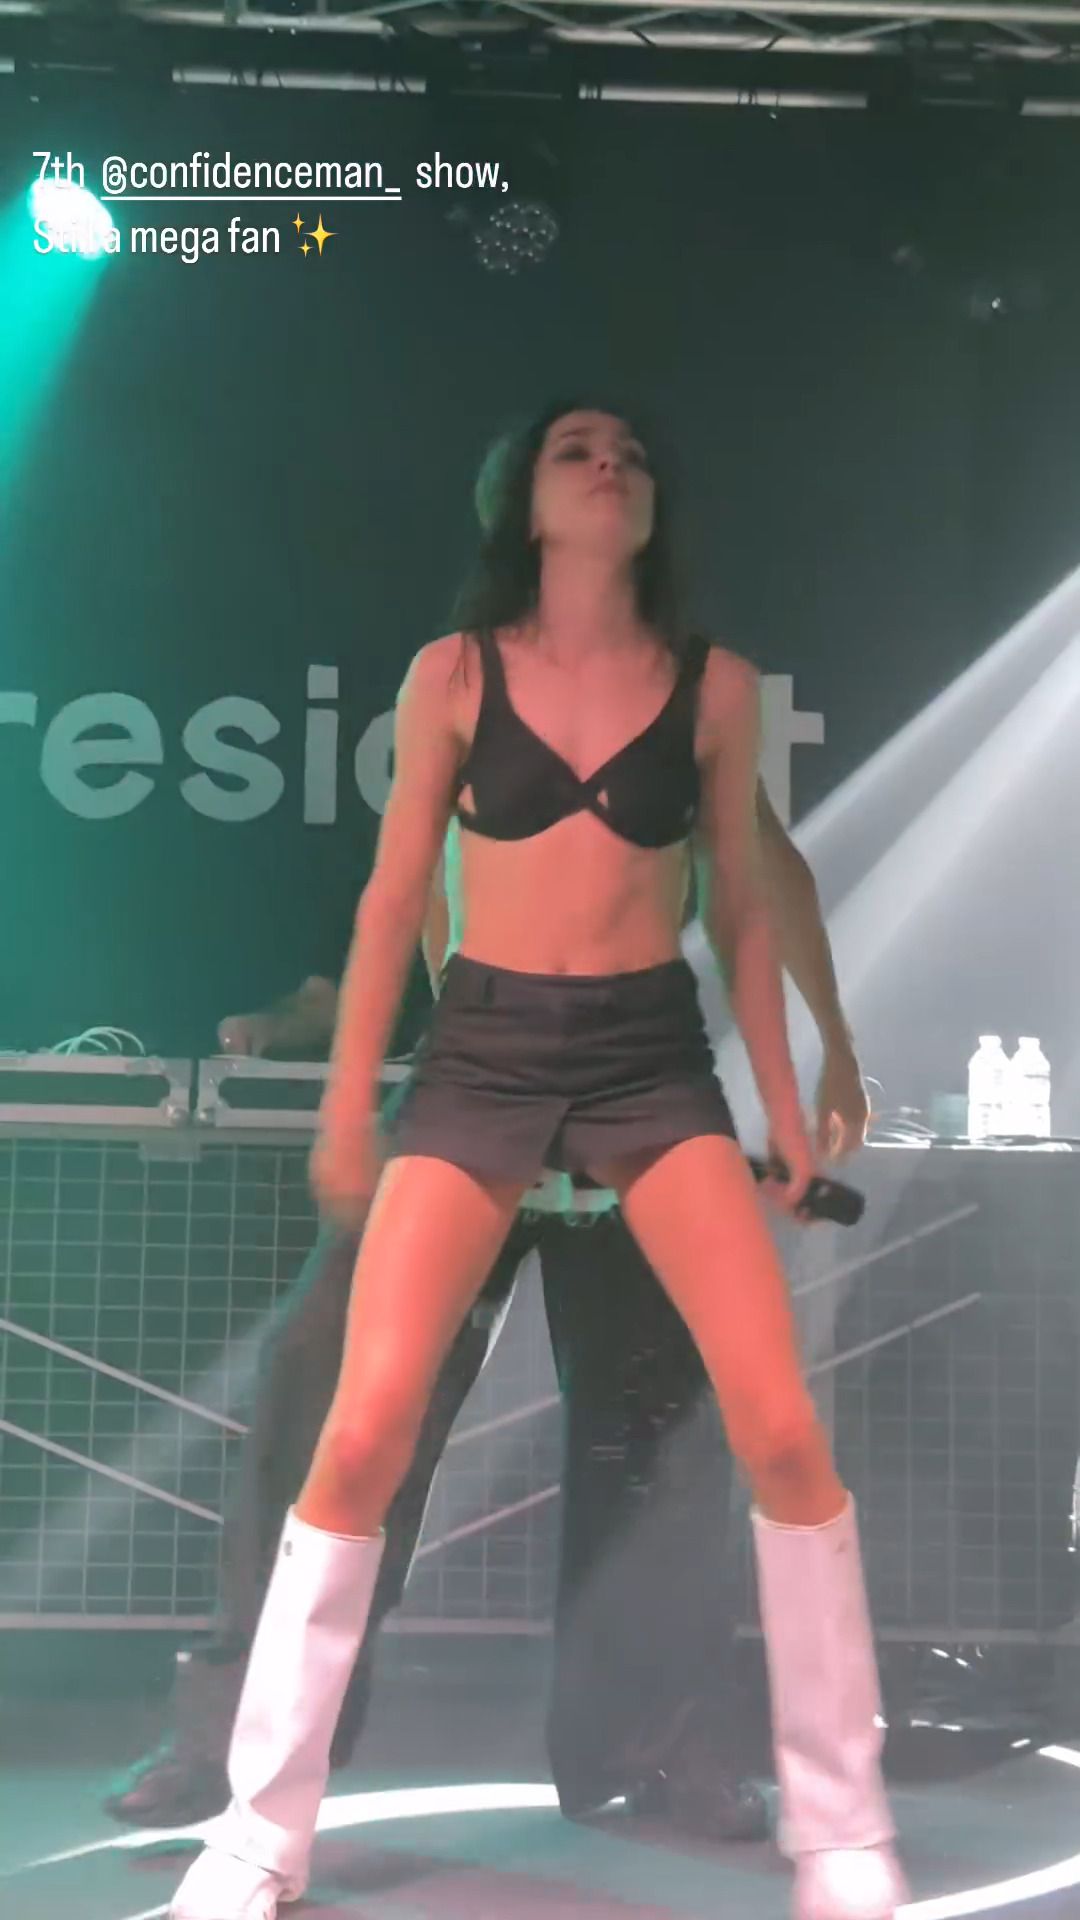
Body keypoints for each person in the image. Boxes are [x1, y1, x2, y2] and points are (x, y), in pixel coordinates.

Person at [170, 400, 902, 1920]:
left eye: (631, 450)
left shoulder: (708, 688)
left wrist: (804, 1081)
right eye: (578, 448)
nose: (610, 463)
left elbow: (753, 893)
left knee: (742, 1422)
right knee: (349, 1421)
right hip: (479, 1059)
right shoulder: (454, 676)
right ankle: (250, 1818)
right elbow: (390, 903)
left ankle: (808, 1812)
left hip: (647, 1063)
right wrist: (344, 1105)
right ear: (521, 498)